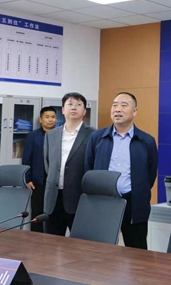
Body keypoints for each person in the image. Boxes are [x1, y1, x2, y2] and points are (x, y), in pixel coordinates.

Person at [85, 92, 158, 250]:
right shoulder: (97, 137)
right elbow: (89, 169)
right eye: (114, 105)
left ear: (135, 111)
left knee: (137, 251)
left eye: (124, 105)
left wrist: (138, 190)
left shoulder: (146, 141)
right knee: (100, 250)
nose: (117, 109)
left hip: (133, 203)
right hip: (103, 201)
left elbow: (150, 174)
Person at [43, 93, 95, 236]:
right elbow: (48, 164)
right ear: (63, 110)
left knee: (81, 243)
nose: (74, 107)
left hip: (79, 197)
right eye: (70, 104)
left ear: (84, 111)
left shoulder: (93, 135)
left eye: (78, 105)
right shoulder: (51, 135)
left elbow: (93, 166)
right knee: (50, 243)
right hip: (53, 198)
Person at [22, 107, 56, 233]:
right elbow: (27, 158)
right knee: (37, 211)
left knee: (54, 212)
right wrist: (28, 179)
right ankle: (36, 238)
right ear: (41, 120)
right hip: (38, 180)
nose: (50, 120)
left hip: (54, 180)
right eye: (47, 117)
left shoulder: (59, 135)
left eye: (53, 117)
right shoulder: (33, 136)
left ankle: (52, 237)